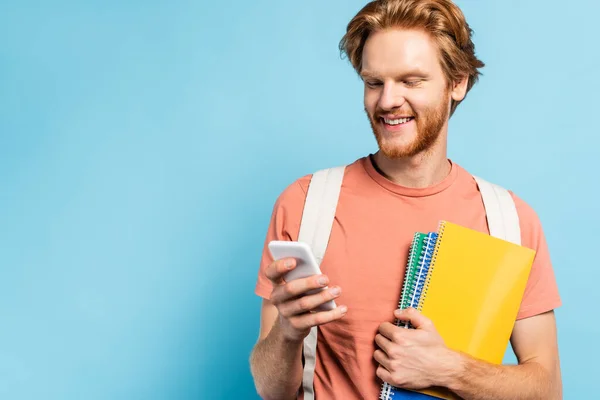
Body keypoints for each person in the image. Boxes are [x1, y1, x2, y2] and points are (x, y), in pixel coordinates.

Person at [249, 0, 562, 399]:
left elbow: (548, 390)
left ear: (457, 82)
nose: (387, 101)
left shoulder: (511, 221)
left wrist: (450, 369)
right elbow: (270, 390)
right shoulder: (306, 205)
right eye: (374, 82)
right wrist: (288, 334)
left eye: (411, 81)